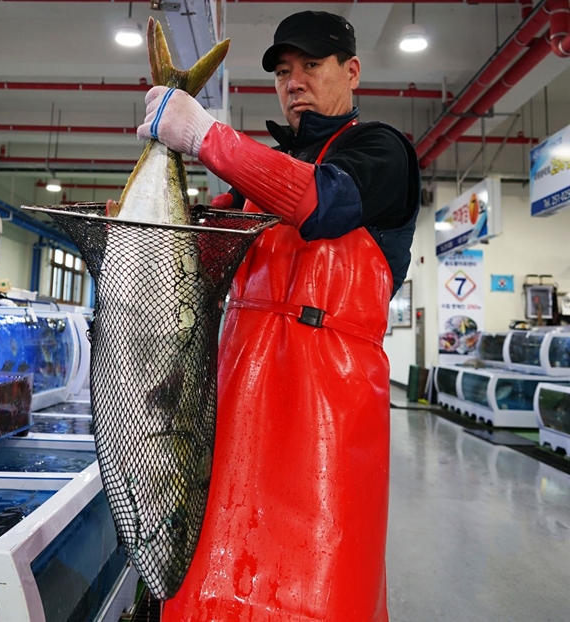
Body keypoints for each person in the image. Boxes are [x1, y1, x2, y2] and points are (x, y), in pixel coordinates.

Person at [137, 10, 420, 622]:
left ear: (351, 71)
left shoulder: (381, 149)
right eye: (283, 71)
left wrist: (206, 137)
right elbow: (193, 255)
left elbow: (321, 203)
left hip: (328, 413)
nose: (294, 81)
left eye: (310, 66)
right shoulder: (251, 177)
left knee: (320, 583)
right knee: (210, 580)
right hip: (235, 399)